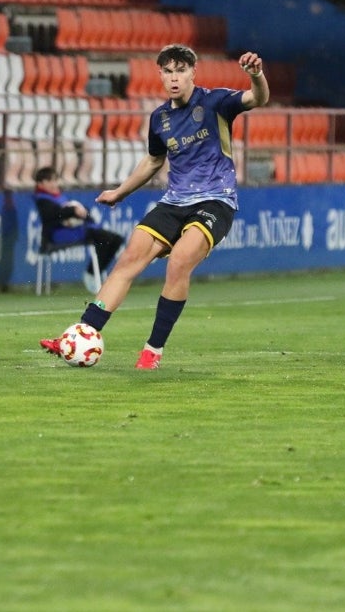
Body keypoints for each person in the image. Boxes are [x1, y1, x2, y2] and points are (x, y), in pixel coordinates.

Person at [40, 45, 270, 370]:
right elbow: (153, 161)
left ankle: (153, 350)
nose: (174, 78)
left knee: (178, 263)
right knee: (127, 262)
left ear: (193, 72)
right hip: (173, 202)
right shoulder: (160, 118)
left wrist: (256, 75)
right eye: (168, 72)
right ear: (160, 75)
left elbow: (257, 99)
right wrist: (120, 192)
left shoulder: (216, 102)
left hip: (215, 201)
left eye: (180, 71)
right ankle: (82, 332)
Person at [33, 166, 125, 294]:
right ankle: (91, 274)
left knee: (117, 239)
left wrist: (83, 213)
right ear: (41, 184)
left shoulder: (59, 196)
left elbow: (76, 210)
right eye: (51, 181)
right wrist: (73, 211)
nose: (55, 184)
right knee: (104, 238)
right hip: (57, 234)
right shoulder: (42, 199)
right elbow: (53, 214)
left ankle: (95, 272)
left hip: (74, 230)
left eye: (55, 180)